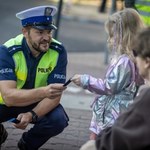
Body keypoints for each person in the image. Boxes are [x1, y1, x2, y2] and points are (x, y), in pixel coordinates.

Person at [0, 5, 69, 150]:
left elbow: (55, 96)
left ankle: (27, 144)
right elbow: (9, 97)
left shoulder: (58, 51)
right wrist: (44, 92)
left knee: (58, 120)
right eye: (40, 32)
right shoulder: (8, 51)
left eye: (49, 31)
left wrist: (31, 115)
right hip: (6, 103)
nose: (46, 37)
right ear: (25, 32)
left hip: (36, 104)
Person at [71, 8, 145, 141]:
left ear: (125, 34)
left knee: (100, 142)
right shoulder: (131, 58)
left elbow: (109, 87)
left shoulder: (124, 61)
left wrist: (85, 80)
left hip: (112, 113)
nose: (109, 40)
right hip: (113, 111)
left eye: (112, 35)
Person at [95, 27, 150, 150]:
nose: (134, 58)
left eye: (136, 53)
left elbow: (118, 138)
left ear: (147, 61)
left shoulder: (146, 98)